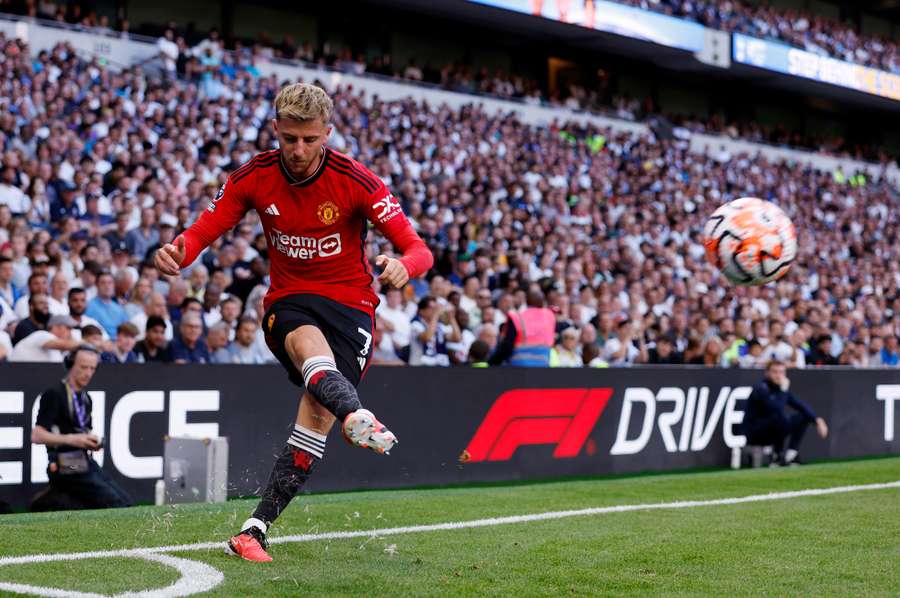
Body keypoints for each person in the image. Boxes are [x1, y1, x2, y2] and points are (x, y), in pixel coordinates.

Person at [154, 82, 432, 562]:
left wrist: (405, 267)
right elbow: (209, 223)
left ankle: (253, 530)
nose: (297, 150)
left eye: (308, 139)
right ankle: (356, 415)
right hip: (291, 299)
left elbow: (418, 248)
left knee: (312, 423)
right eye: (288, 139)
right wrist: (182, 249)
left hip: (351, 308)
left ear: (327, 132)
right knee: (309, 351)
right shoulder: (255, 175)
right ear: (276, 131)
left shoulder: (358, 181)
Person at [29, 345, 133, 511]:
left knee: (125, 501)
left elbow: (84, 431)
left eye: (92, 368)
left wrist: (93, 441)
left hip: (84, 461)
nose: (88, 373)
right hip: (64, 463)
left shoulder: (85, 398)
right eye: (83, 367)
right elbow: (37, 435)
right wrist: (73, 439)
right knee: (114, 503)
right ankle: (53, 495)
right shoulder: (54, 393)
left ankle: (54, 497)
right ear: (71, 365)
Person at [743, 360, 828, 465]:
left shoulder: (780, 389)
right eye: (775, 372)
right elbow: (775, 408)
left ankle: (790, 455)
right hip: (756, 433)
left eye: (782, 372)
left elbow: (800, 405)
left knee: (802, 417)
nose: (779, 376)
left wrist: (817, 420)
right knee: (779, 417)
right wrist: (783, 390)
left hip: (773, 429)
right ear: (767, 373)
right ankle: (776, 456)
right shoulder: (760, 388)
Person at [488, 289, 556, 366]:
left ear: (526, 301)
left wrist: (492, 362)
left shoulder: (517, 317)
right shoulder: (550, 317)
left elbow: (507, 346)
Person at [10, 314, 81, 362]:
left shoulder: (57, 353)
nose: (70, 332)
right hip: (16, 377)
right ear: (56, 327)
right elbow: (65, 345)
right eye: (68, 328)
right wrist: (88, 344)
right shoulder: (42, 335)